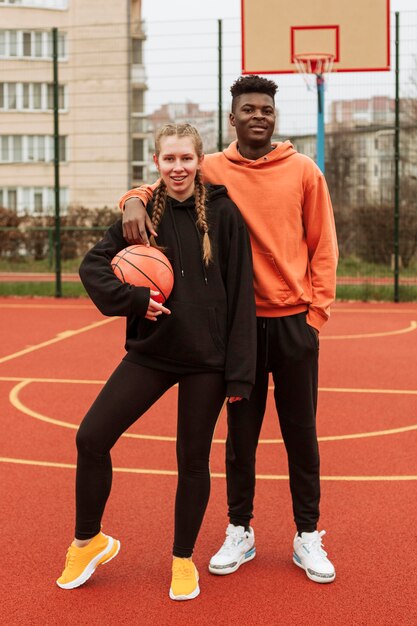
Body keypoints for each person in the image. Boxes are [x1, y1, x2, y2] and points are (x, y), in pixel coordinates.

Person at [118, 75, 339, 585]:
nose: (258, 116)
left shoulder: (304, 170)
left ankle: (308, 534)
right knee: (241, 437)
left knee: (301, 434)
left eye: (266, 109)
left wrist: (316, 315)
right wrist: (130, 198)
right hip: (238, 328)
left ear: (274, 118)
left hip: (293, 325)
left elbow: (322, 244)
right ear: (232, 116)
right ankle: (240, 528)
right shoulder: (212, 167)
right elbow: (159, 187)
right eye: (248, 109)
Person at [56, 123, 256, 601]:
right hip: (154, 351)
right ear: (156, 163)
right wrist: (133, 298)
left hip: (208, 360)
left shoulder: (225, 215)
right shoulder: (140, 215)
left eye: (186, 158)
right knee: (92, 436)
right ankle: (89, 540)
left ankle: (182, 559)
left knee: (191, 459)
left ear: (199, 160)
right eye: (169, 159)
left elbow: (241, 297)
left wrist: (240, 372)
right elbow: (92, 266)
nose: (178, 167)